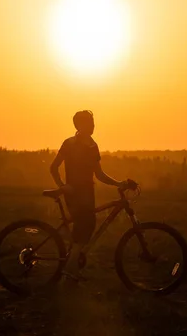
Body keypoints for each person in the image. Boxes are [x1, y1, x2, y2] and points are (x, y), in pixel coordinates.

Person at [50, 110, 134, 281]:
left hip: (88, 192)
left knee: (85, 227)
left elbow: (99, 174)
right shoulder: (69, 143)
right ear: (79, 125)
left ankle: (72, 266)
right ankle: (70, 270)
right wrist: (63, 186)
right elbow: (53, 167)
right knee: (85, 226)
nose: (93, 126)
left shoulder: (92, 146)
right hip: (74, 193)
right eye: (90, 122)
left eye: (93, 122)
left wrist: (119, 183)